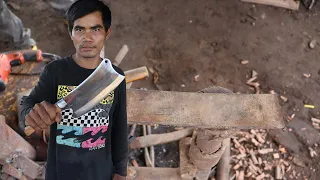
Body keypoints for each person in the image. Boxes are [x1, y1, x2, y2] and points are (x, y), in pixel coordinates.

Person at [20, 0, 128, 180]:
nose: (87, 38)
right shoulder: (55, 71)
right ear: (71, 33)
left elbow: (119, 127)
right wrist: (30, 114)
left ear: (107, 33)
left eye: (95, 29)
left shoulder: (114, 77)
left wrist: (121, 172)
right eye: (79, 29)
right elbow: (27, 104)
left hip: (100, 172)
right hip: (60, 172)